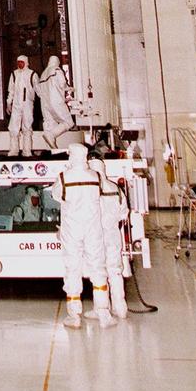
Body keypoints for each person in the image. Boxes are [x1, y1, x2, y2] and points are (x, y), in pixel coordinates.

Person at [51, 144, 114, 329]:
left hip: (73, 229)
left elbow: (57, 195)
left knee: (73, 269)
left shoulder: (64, 177)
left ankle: (74, 315)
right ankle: (103, 312)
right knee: (98, 267)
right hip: (93, 228)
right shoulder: (95, 176)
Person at [89, 158, 129, 319]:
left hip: (97, 236)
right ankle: (121, 308)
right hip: (113, 235)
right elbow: (124, 213)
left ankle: (101, 309)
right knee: (115, 271)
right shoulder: (116, 189)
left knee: (99, 272)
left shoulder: (90, 190)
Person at [37, 55, 74, 150]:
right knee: (68, 122)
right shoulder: (56, 70)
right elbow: (62, 84)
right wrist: (69, 88)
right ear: (57, 62)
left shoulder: (43, 74)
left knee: (49, 124)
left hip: (45, 104)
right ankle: (51, 135)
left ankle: (50, 150)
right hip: (56, 102)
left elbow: (39, 90)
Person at [6, 54, 38, 157]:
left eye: (21, 62)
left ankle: (27, 151)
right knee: (13, 128)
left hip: (27, 104)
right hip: (16, 104)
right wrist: (8, 103)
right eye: (18, 62)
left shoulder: (32, 74)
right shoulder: (14, 74)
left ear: (26, 62)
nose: (19, 64)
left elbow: (38, 89)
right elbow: (11, 90)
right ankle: (13, 151)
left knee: (27, 127)